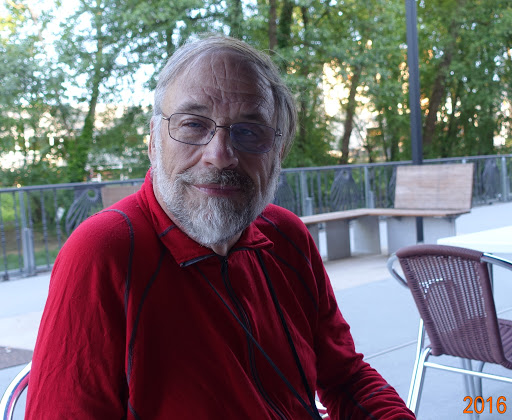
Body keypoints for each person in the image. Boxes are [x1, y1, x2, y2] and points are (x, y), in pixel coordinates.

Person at [25, 34, 415, 419]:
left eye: (249, 131)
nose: (221, 155)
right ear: (153, 142)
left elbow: (345, 378)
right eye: (193, 125)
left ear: (278, 152)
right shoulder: (105, 252)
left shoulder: (287, 237)